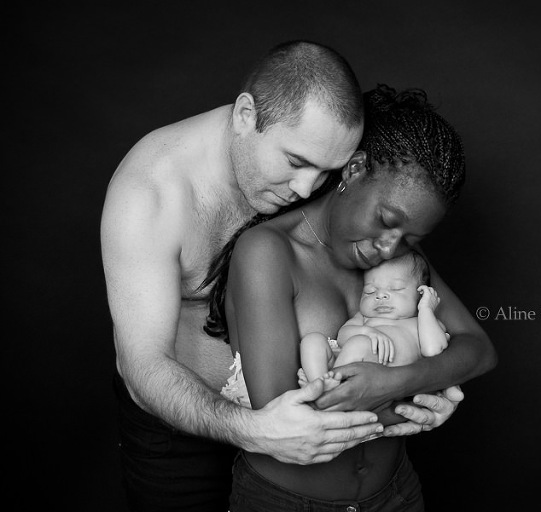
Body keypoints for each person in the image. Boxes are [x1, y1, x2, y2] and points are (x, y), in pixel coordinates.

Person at [101, 41, 461, 512]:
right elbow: (140, 365)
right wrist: (254, 429)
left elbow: (403, 276)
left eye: (327, 172)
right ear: (247, 114)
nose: (307, 189)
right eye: (294, 164)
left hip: (310, 422)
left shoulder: (326, 149)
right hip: (187, 426)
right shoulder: (151, 193)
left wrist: (427, 385)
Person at [203, 84, 497, 511]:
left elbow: (480, 350)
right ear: (355, 169)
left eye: (410, 238)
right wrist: (424, 398)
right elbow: (291, 417)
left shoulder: (395, 259)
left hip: (395, 495)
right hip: (288, 502)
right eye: (386, 221)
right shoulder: (268, 253)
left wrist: (398, 381)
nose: (389, 247)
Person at [299, 251, 449, 389]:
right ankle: (318, 385)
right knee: (312, 340)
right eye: (370, 291)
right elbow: (342, 336)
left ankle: (332, 391)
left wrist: (426, 310)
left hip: (378, 378)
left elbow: (432, 351)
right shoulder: (364, 317)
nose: (380, 295)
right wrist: (366, 331)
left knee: (359, 344)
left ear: (421, 297)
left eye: (396, 288)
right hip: (340, 363)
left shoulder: (423, 323)